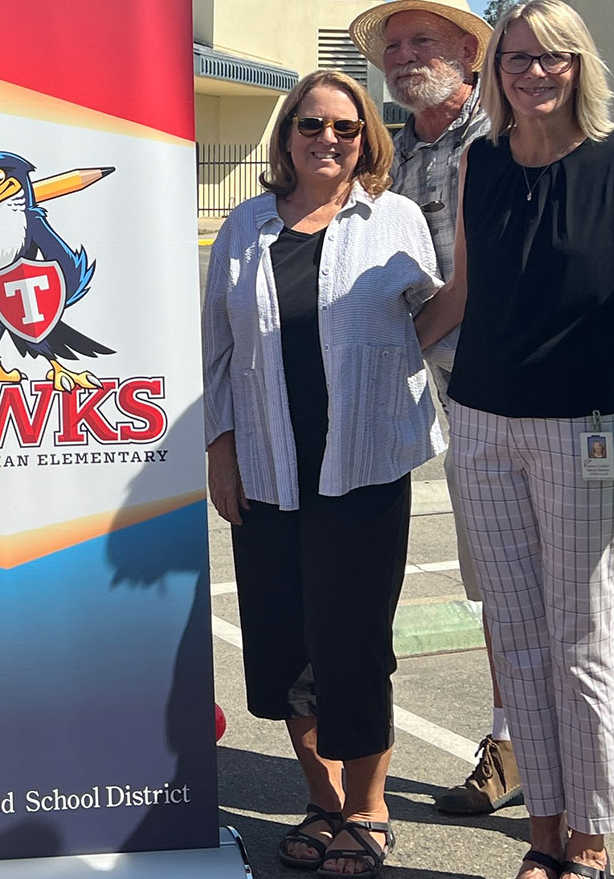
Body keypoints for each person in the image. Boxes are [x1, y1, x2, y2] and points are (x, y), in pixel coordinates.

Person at [413, 0, 614, 879]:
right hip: (484, 425)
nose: (533, 72)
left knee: (582, 640)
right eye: (517, 58)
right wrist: (364, 358)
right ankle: (544, 833)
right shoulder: (480, 161)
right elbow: (459, 295)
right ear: (496, 72)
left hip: (588, 431)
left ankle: (592, 841)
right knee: (518, 637)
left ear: (580, 65)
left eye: (552, 57)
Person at [203, 70, 443, 876]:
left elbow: (435, 319)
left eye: (345, 127)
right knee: (282, 646)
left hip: (364, 471)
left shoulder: (395, 219)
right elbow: (217, 351)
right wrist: (220, 449)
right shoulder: (244, 228)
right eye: (311, 125)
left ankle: (368, 808)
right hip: (269, 470)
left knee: (353, 645)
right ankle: (324, 798)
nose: (327, 140)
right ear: (287, 134)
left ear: (367, 136)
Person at [350, 0, 521, 816]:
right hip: (441, 385)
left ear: (467, 53)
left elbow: (469, 287)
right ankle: (516, 735)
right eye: (394, 45)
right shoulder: (388, 151)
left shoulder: (506, 138)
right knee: (494, 570)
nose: (404, 58)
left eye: (424, 42)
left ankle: (542, 753)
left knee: (546, 578)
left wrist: (387, 356)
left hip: (520, 386)